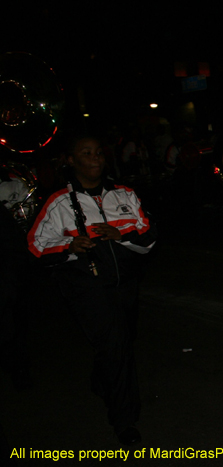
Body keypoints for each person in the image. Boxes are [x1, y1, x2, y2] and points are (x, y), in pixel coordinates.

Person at [27, 135, 156, 444]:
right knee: (115, 347)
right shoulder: (59, 201)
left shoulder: (124, 193)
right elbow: (34, 245)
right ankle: (124, 420)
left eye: (99, 152)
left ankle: (102, 379)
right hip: (86, 286)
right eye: (86, 153)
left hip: (125, 282)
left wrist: (119, 236)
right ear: (71, 160)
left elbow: (148, 237)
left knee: (121, 340)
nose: (96, 158)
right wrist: (69, 244)